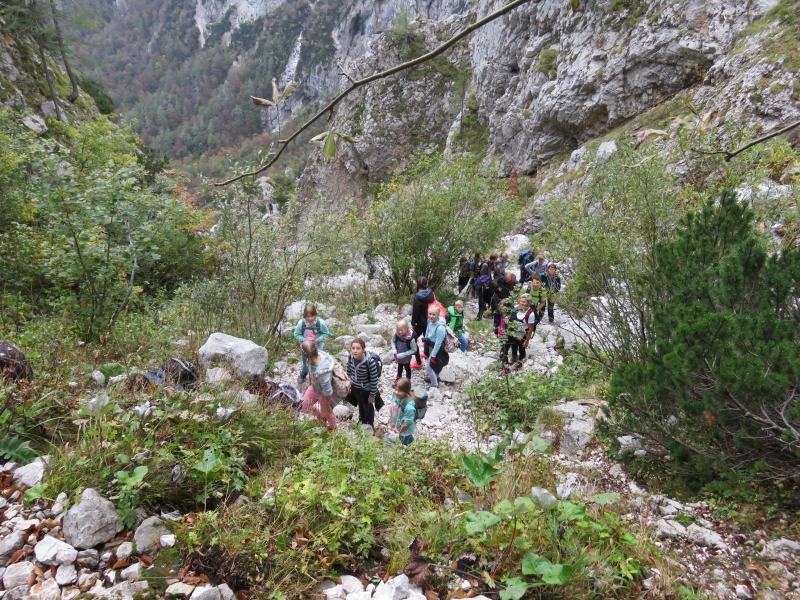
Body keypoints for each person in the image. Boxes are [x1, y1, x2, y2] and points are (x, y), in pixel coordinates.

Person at [299, 341, 337, 431]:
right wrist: (309, 382)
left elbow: (328, 392)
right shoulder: (312, 357)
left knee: (327, 412)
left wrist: (327, 405)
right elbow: (310, 369)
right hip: (314, 387)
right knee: (303, 407)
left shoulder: (323, 372)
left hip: (323, 393)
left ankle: (333, 429)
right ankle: (321, 417)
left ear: (305, 355)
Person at [345, 338, 382, 429]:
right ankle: (362, 420)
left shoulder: (370, 362)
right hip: (356, 387)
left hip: (366, 390)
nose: (355, 351)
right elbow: (349, 370)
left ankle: (370, 424)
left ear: (363, 349)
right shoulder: (351, 357)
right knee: (360, 405)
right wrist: (348, 382)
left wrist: (372, 395)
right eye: (353, 348)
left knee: (368, 407)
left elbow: (374, 380)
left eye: (358, 348)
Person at [294, 304, 330, 384]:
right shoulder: (301, 324)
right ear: (305, 316)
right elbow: (296, 334)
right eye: (308, 316)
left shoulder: (321, 323)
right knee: (305, 362)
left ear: (316, 315)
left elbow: (325, 333)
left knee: (317, 362)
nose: (310, 318)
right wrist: (304, 339)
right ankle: (304, 373)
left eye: (312, 316)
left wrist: (319, 339)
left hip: (318, 348)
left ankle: (318, 375)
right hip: (306, 348)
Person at [502, 295, 535, 372]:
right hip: (514, 329)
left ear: (529, 303)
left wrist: (527, 340)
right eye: (521, 301)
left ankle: (521, 360)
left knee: (521, 346)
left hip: (524, 331)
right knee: (513, 344)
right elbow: (510, 315)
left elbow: (531, 328)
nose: (521, 303)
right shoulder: (516, 308)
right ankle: (514, 356)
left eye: (524, 302)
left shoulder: (531, 314)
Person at [411, 276, 435, 365]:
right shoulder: (430, 293)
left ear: (417, 285)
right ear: (427, 284)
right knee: (428, 339)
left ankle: (418, 362)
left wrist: (413, 323)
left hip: (421, 323)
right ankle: (427, 354)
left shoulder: (418, 297)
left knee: (412, 339)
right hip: (431, 321)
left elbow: (415, 312)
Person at [423, 305, 449, 388]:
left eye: (434, 314)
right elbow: (428, 329)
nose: (431, 316)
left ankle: (434, 385)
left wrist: (433, 356)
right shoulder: (429, 321)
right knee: (434, 365)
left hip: (437, 348)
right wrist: (426, 339)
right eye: (430, 314)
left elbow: (438, 343)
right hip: (430, 344)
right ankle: (435, 378)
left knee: (429, 367)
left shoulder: (440, 328)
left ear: (438, 315)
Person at [390, 377, 418, 446]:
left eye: (400, 391)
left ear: (406, 392)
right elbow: (391, 408)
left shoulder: (409, 407)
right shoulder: (394, 395)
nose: (396, 392)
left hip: (405, 430)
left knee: (404, 441)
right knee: (408, 439)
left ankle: (410, 448)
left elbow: (407, 423)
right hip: (398, 424)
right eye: (395, 389)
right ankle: (414, 444)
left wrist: (398, 430)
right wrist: (391, 422)